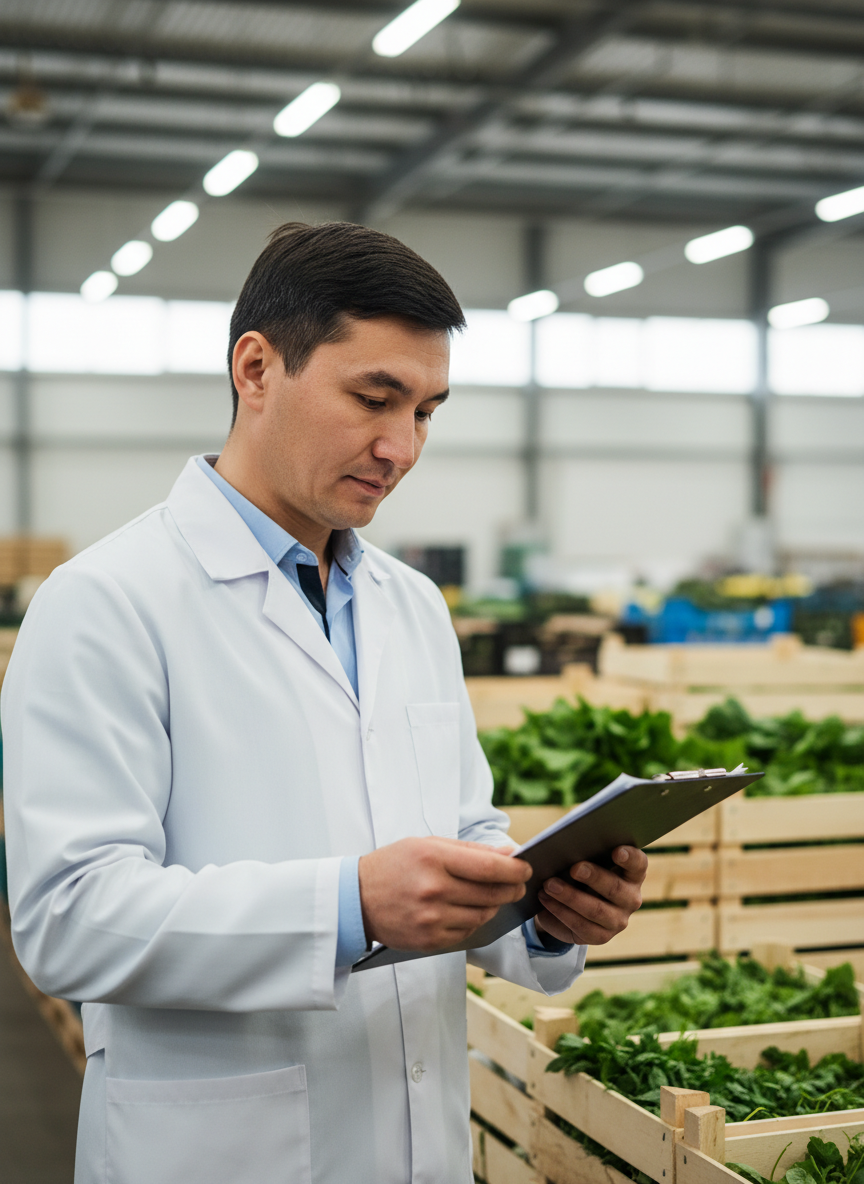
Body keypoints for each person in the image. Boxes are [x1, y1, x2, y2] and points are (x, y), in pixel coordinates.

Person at [1, 222, 647, 1184]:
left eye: (427, 410)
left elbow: (466, 827)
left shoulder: (413, 608)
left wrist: (545, 910)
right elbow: (69, 916)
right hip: (217, 1149)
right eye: (374, 398)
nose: (401, 447)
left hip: (419, 1137)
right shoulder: (105, 602)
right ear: (256, 369)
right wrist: (346, 904)